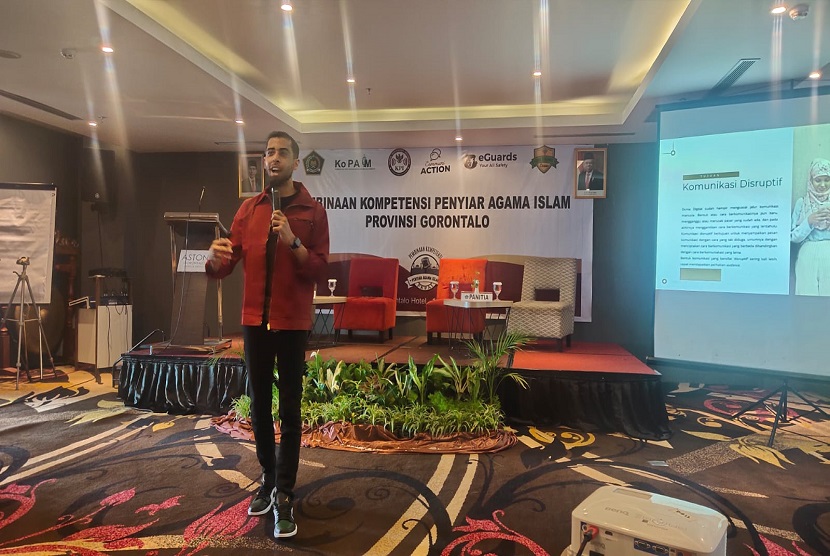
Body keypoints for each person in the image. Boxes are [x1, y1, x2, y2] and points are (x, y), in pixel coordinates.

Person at [207, 131, 330, 538]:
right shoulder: (249, 209)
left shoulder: (313, 211)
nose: (274, 158)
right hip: (254, 321)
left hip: (292, 322)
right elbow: (227, 263)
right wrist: (214, 259)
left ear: (296, 162)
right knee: (259, 406)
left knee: (290, 410)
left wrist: (292, 240)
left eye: (282, 153)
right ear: (264, 162)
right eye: (269, 153)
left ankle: (286, 493)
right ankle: (268, 478)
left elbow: (318, 269)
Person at [791, 157, 830, 296]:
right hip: (807, 256)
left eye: (827, 179)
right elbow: (793, 237)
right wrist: (809, 221)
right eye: (818, 180)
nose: (823, 185)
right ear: (811, 180)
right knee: (807, 297)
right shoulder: (802, 203)